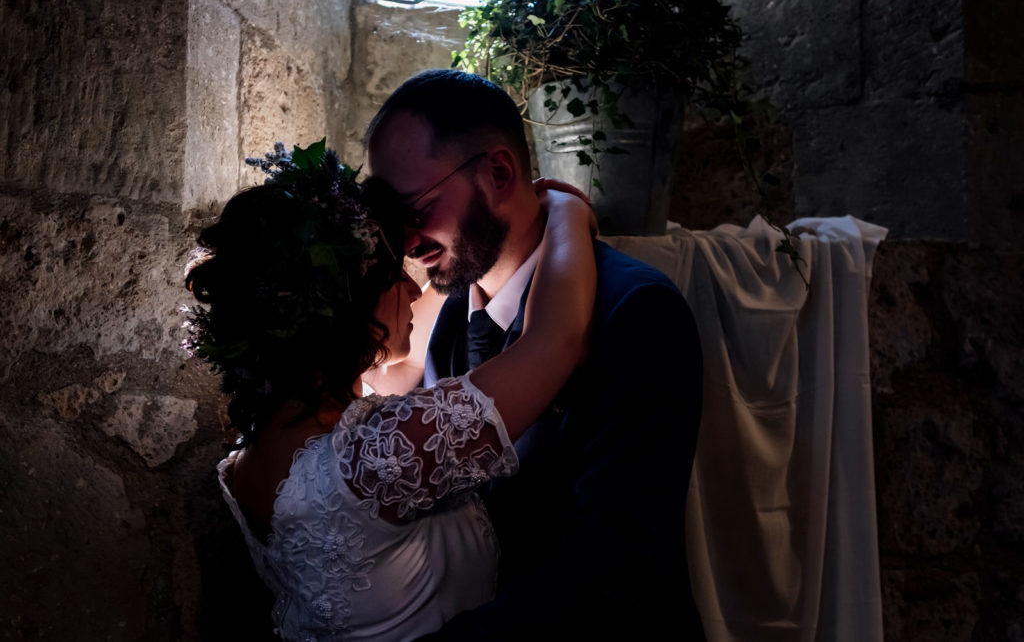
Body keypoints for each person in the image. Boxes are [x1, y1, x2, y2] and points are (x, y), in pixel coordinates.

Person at [183, 140, 596, 640]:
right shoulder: (379, 457)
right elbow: (555, 342)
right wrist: (565, 208)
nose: (417, 287)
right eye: (397, 276)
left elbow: (407, 349)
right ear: (347, 311)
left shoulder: (267, 436)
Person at [364, 70, 706, 639]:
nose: (403, 242)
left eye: (417, 209)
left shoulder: (637, 311)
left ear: (498, 173)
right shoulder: (449, 319)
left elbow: (614, 571)